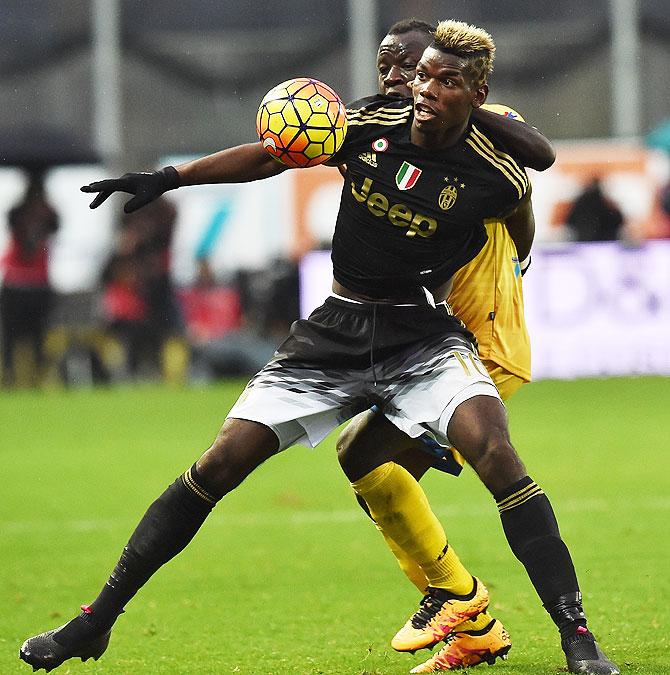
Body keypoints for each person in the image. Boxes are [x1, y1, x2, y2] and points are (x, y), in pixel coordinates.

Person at [20, 19, 618, 675]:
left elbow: (524, 200)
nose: (416, 86)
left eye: (438, 77)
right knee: (219, 461)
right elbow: (274, 155)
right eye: (416, 75)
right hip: (336, 329)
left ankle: (576, 637)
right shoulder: (366, 123)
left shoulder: (493, 173)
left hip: (421, 333)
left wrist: (515, 263)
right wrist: (170, 177)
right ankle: (93, 623)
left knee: (497, 454)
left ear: (473, 92)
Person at [333, 18, 544, 672]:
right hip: (432, 352)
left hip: (482, 348)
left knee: (369, 465)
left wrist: (518, 261)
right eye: (386, 68)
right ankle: (464, 616)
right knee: (375, 480)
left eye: (410, 66)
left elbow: (524, 183)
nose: (395, 79)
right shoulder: (393, 135)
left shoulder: (477, 124)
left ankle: (465, 606)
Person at [0, 170, 59, 387]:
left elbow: (54, 227)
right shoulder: (17, 213)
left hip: (36, 281)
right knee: (13, 337)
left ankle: (34, 377)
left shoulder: (48, 214)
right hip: (17, 281)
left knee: (36, 336)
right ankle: (10, 376)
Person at [564, 177, 624, 242]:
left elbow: (569, 221)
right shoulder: (606, 203)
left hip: (584, 243)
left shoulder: (579, 203)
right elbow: (619, 221)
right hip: (605, 243)